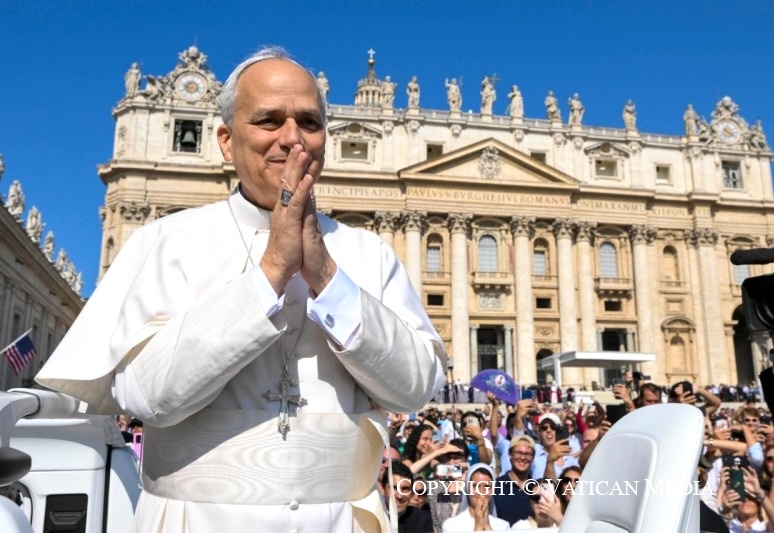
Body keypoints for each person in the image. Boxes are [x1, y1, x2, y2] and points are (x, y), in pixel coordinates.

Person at [36, 45, 446, 532]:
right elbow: (147, 396)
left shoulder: (368, 252)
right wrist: (272, 269)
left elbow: (416, 389)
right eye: (269, 121)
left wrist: (329, 280)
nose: (292, 139)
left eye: (309, 123)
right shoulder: (166, 240)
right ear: (226, 141)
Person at [442, 463, 510, 531]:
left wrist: (487, 526)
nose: (481, 492)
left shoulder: (503, 526)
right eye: (475, 486)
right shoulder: (451, 525)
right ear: (468, 489)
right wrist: (478, 526)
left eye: (486, 487)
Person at [494, 435, 537, 525]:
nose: (522, 458)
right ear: (510, 455)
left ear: (532, 458)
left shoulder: (537, 489)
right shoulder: (496, 486)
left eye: (527, 454)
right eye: (518, 453)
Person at [381, 460, 434, 533]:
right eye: (394, 488)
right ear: (383, 489)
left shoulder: (422, 519)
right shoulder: (370, 516)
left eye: (405, 489)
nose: (399, 496)